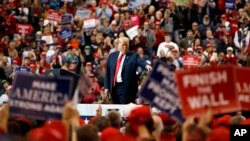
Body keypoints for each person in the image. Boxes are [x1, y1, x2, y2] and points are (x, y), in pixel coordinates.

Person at [104, 37, 152, 104]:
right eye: (123, 45)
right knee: (116, 107)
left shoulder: (133, 55)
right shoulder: (112, 56)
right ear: (118, 45)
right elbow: (108, 73)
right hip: (114, 87)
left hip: (126, 87)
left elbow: (140, 61)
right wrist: (106, 87)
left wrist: (147, 65)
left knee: (124, 109)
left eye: (126, 45)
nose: (125, 47)